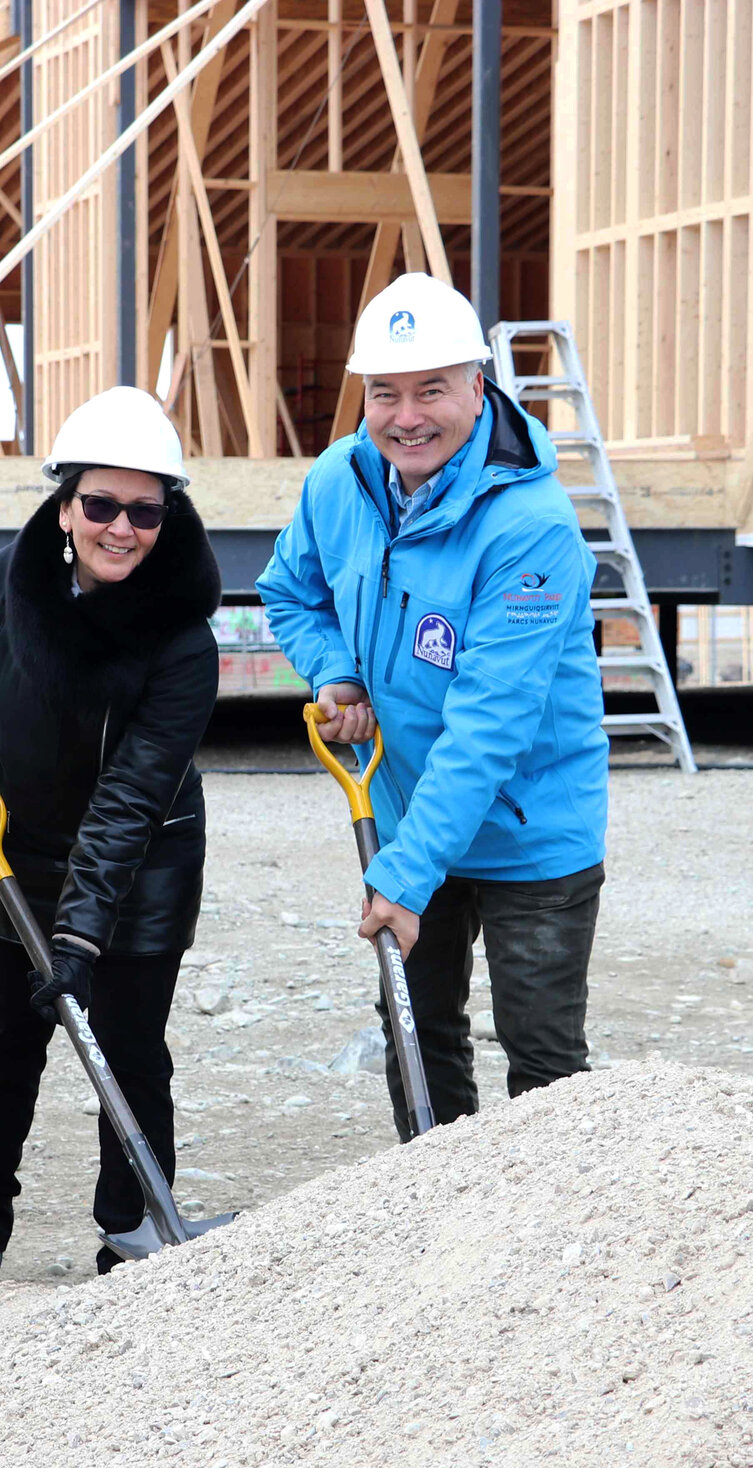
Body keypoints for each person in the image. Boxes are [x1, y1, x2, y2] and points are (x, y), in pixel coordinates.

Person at [258, 273, 609, 1141]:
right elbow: (291, 591)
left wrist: (403, 876)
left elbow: (490, 727)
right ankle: (438, 1238)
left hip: (532, 830)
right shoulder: (340, 481)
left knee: (544, 1061)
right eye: (385, 393)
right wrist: (337, 675)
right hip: (408, 806)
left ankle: (562, 1243)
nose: (407, 416)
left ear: (478, 388)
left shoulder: (531, 526)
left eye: (432, 390)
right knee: (419, 1042)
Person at [0, 387, 221, 1291]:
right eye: (100, 505)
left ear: (167, 516)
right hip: (14, 844)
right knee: (7, 1044)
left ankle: (131, 1231)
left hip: (143, 869)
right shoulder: (6, 580)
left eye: (144, 510)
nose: (121, 528)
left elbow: (132, 798)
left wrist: (83, 933)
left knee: (129, 1048)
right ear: (65, 507)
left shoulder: (185, 641)